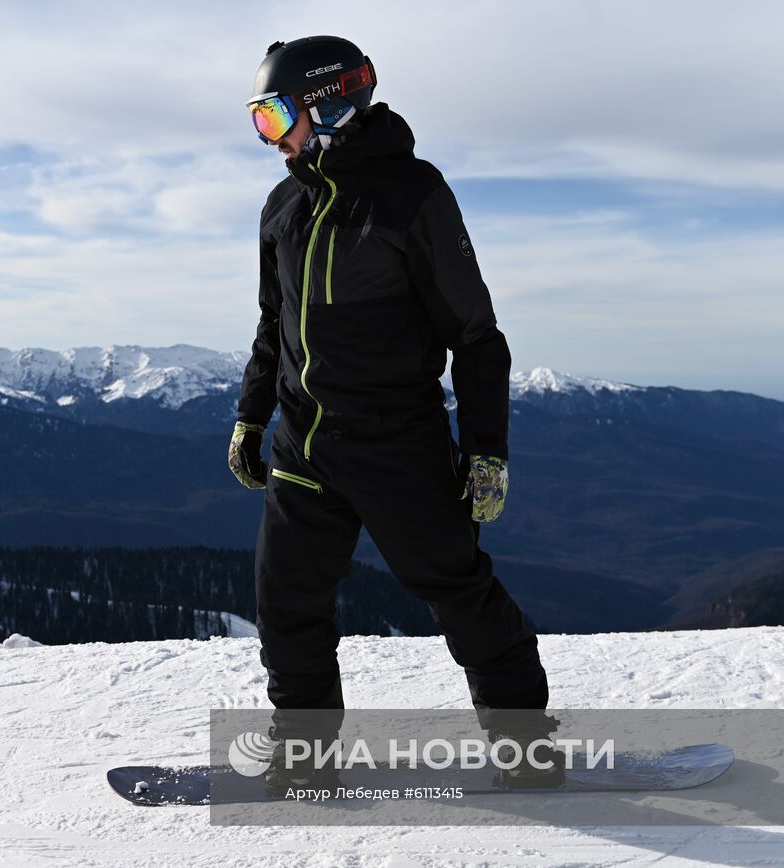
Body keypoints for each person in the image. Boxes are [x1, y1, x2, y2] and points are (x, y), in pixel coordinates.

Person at [228, 36, 559, 791]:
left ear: (330, 106)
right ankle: (304, 757)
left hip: (397, 447)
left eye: (277, 118)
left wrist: (486, 450)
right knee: (285, 607)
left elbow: (476, 337)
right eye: (261, 122)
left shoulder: (413, 196)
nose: (270, 139)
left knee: (458, 591)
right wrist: (252, 418)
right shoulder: (283, 206)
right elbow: (272, 327)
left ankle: (524, 744)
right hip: (304, 446)